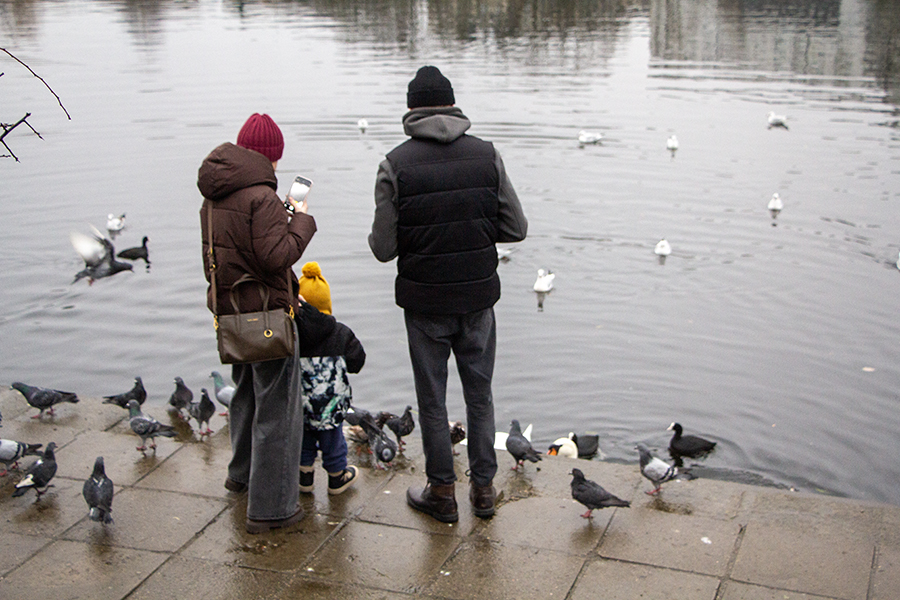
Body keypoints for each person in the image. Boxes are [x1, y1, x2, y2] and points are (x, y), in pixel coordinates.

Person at [368, 66, 528, 522]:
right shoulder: (487, 156)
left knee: (433, 401)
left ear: (411, 109)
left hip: (425, 305)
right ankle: (483, 491)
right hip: (478, 300)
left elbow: (383, 249)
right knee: (480, 396)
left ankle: (442, 492)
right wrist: (475, 230)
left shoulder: (394, 165)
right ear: (453, 105)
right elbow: (517, 228)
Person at [199, 113, 316, 534]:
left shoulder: (214, 195)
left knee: (246, 393)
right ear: (272, 155)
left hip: (232, 312)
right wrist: (300, 219)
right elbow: (275, 255)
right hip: (266, 316)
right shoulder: (262, 198)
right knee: (279, 410)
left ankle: (241, 475)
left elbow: (238, 251)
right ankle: (271, 508)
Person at [295, 261, 366, 494]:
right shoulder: (340, 332)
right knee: (333, 439)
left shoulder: (291, 334)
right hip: (331, 406)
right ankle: (337, 477)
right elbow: (357, 362)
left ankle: (304, 477)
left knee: (304, 437)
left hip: (299, 404)